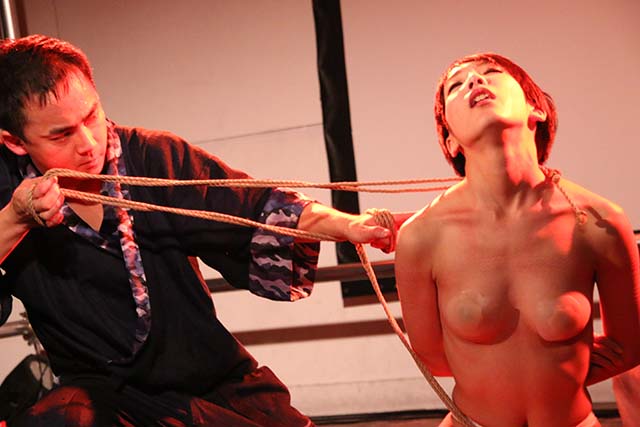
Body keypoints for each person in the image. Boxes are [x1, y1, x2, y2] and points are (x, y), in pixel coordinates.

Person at [0, 35, 394, 427]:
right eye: (61, 134)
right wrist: (15, 219)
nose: (88, 144)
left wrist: (351, 225)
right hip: (101, 400)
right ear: (14, 141)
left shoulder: (153, 158)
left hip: (206, 380)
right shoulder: (6, 192)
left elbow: (256, 208)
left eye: (91, 117)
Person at [395, 52, 640, 427]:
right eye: (456, 86)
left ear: (535, 109)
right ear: (451, 140)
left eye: (491, 72)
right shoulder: (421, 236)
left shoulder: (598, 221)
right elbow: (434, 360)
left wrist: (557, 378)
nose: (475, 81)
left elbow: (628, 345)